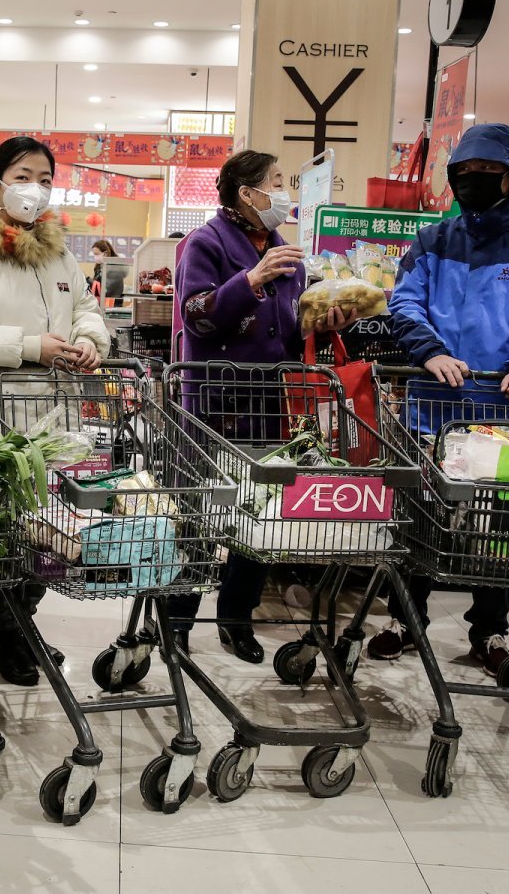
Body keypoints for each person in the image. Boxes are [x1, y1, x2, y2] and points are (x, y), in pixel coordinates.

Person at [0, 135, 110, 685]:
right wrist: (32, 346)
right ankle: (10, 634)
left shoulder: (58, 255)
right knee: (5, 528)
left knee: (51, 528)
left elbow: (84, 306)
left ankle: (16, 620)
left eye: (46, 178)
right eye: (24, 176)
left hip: (61, 414)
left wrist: (90, 341)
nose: (36, 189)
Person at [172, 149, 352, 663]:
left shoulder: (282, 249)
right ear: (246, 193)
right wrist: (249, 281)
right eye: (276, 182)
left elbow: (288, 331)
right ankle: (179, 623)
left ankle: (236, 619)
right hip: (217, 404)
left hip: (273, 406)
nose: (284, 193)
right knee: (200, 516)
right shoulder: (206, 243)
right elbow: (196, 317)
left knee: (260, 519)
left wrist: (324, 322)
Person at [367, 123, 509, 678]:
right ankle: (405, 618)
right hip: (434, 406)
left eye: (487, 173)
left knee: (498, 527)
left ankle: (491, 629)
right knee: (419, 516)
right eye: (464, 174)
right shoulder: (432, 240)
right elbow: (403, 304)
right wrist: (429, 353)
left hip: (499, 415)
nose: (474, 182)